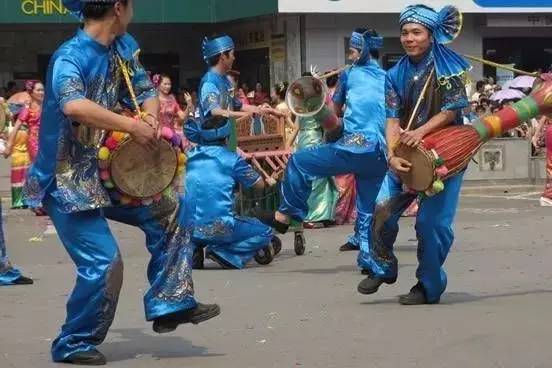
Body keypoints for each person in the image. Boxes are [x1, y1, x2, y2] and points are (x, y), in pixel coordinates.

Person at [24, 1, 219, 365]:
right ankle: (73, 342)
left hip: (106, 174)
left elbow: (145, 91)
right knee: (105, 261)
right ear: (117, 7)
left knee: (175, 206)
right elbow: (73, 106)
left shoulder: (123, 47)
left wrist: (148, 118)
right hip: (66, 180)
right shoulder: (70, 57)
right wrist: (130, 125)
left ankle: (170, 301)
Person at [357, 4, 470, 305]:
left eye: (416, 32)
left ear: (431, 35)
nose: (409, 38)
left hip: (445, 154)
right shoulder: (394, 74)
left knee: (431, 224)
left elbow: (451, 112)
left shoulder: (449, 68)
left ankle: (428, 285)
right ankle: (382, 267)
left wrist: (420, 133)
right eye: (405, 32)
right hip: (405, 151)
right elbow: (392, 119)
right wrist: (393, 155)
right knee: (381, 207)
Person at [265, 29, 388, 274]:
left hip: (355, 147)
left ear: (363, 50)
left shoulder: (350, 75)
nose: (350, 57)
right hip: (379, 154)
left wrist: (317, 98)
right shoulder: (389, 77)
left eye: (352, 52)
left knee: (299, 162)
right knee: (364, 209)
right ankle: (367, 257)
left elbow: (333, 121)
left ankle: (286, 214)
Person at [187, 34, 281, 269]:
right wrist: (271, 179)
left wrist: (259, 109)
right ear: (222, 56)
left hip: (214, 149)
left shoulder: (225, 82)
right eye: (232, 53)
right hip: (223, 151)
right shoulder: (210, 82)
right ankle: (225, 250)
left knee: (207, 194)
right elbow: (216, 112)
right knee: (231, 197)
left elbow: (237, 107)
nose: (235, 57)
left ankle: (197, 244)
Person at [4, 81, 38, 209]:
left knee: (16, 181)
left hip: (16, 158)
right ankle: (26, 200)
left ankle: (17, 201)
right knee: (26, 179)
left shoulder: (13, 130)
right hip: (27, 156)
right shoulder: (27, 130)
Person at [152, 73, 193, 149]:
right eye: (165, 84)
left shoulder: (172, 100)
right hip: (158, 133)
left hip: (172, 135)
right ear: (158, 85)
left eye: (169, 84)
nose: (168, 86)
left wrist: (189, 105)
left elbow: (183, 116)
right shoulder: (153, 99)